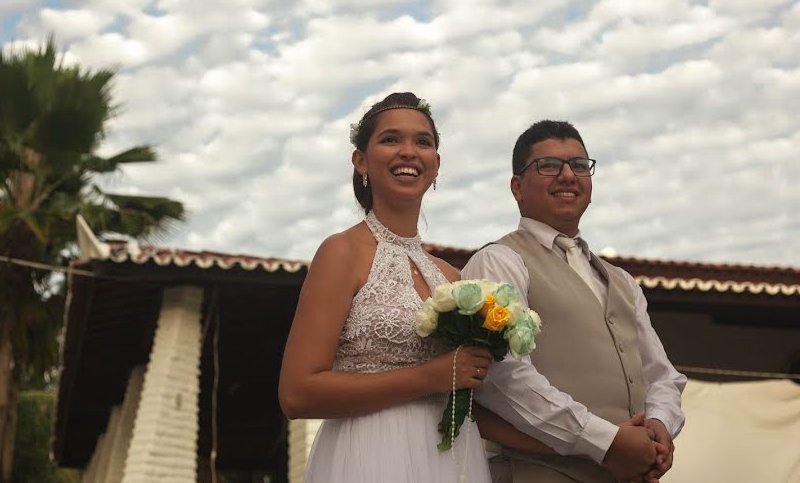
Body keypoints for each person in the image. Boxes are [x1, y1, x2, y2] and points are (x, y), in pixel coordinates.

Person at [279, 92, 499, 482]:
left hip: (452, 459)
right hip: (370, 454)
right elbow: (297, 394)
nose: (409, 152)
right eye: (391, 139)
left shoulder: (452, 278)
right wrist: (432, 377)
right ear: (360, 160)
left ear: (436, 165)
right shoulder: (341, 252)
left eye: (423, 142)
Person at [463, 120, 687, 483]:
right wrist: (607, 442)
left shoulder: (622, 281)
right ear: (517, 187)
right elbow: (504, 378)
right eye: (549, 165)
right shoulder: (499, 262)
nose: (568, 175)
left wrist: (660, 426)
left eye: (580, 165)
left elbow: (661, 374)